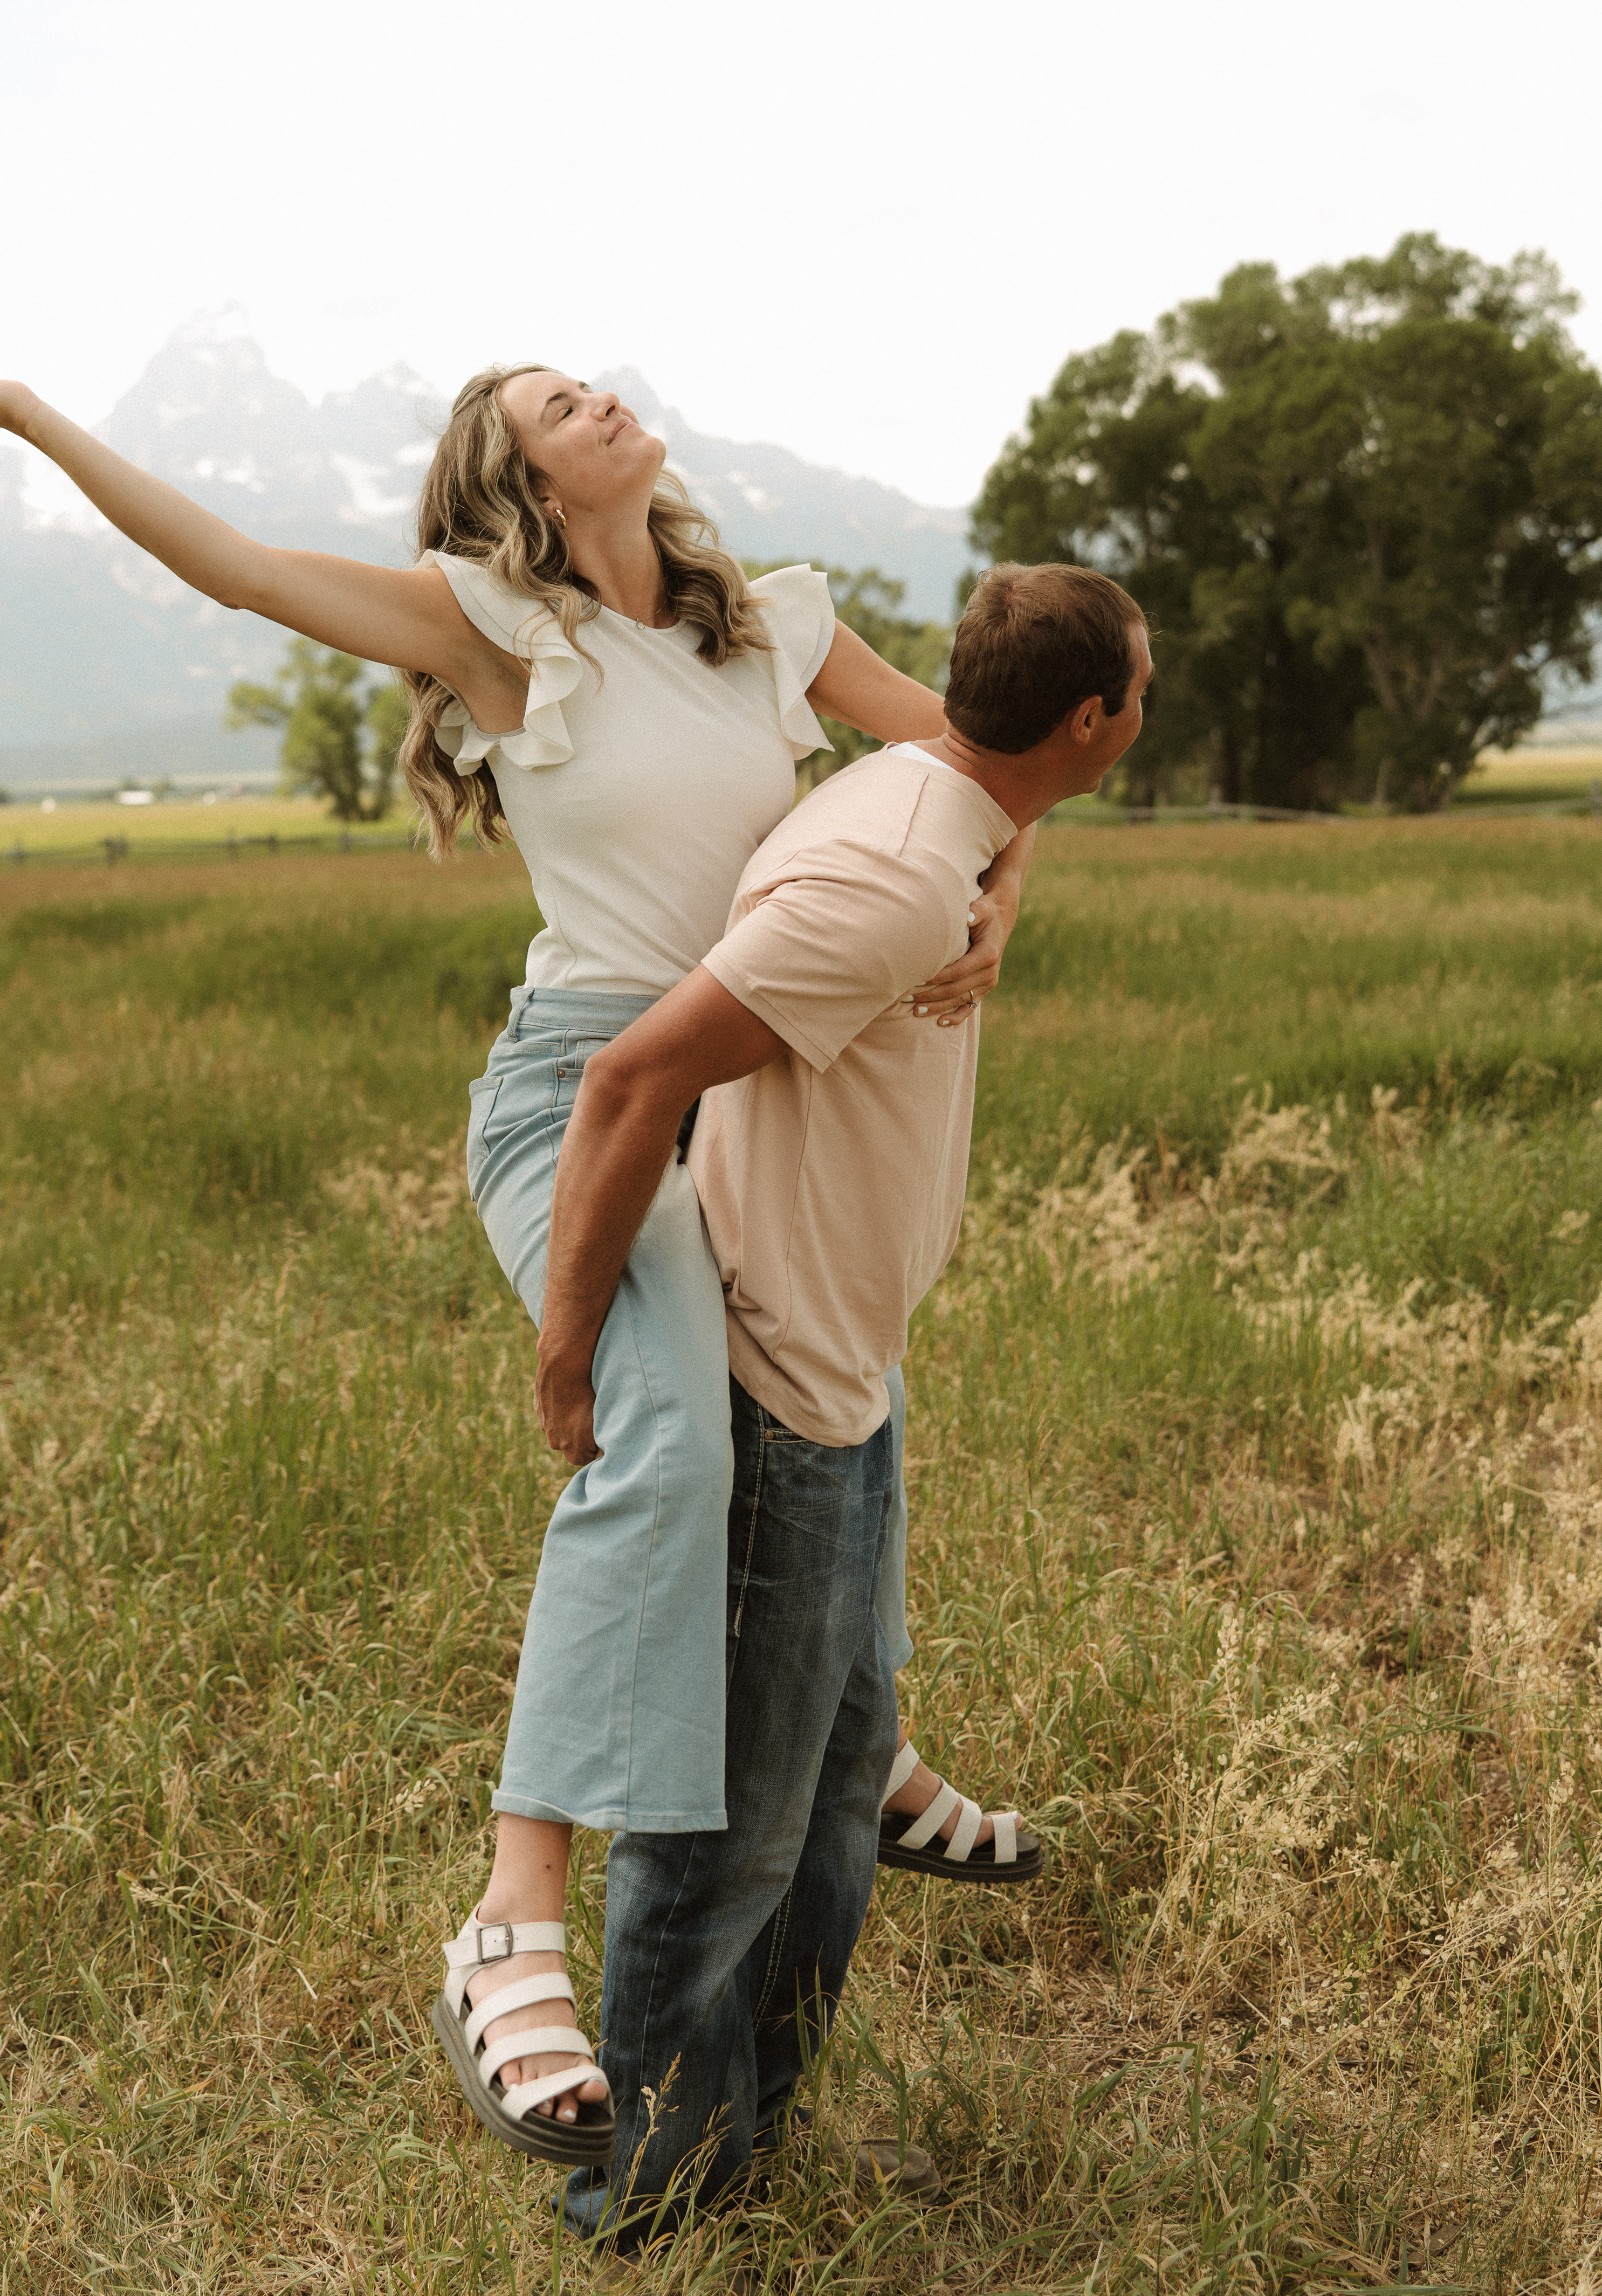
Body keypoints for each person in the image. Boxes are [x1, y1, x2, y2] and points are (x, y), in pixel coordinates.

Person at [0, 326, 1040, 2157]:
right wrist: (17, 411)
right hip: (586, 1098)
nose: (602, 396)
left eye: (595, 378)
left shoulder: (767, 623)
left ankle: (855, 1750)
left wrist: (1006, 893)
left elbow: (976, 766)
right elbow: (234, 567)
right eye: (559, 404)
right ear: (522, 484)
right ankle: (510, 1916)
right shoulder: (498, 632)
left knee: (826, 1397)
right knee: (669, 1438)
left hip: (733, 1094)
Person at [477, 563, 1153, 2242]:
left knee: (840, 1798)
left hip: (850, 1372)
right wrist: (570, 1342)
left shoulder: (947, 819)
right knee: (733, 1838)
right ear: (1094, 722)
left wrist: (1008, 883)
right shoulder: (893, 870)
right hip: (779, 1385)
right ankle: (651, 2195)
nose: (1147, 712)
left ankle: (750, 2141)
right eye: (1144, 691)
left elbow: (971, 835)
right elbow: (631, 1077)